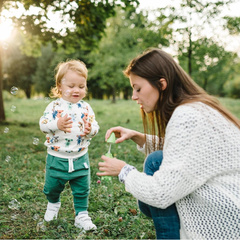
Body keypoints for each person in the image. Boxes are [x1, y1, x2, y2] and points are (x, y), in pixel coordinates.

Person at [97, 48, 240, 239]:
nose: (133, 96)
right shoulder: (196, 106)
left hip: (224, 217)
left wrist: (123, 170)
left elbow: (161, 194)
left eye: (138, 88)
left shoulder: (187, 116)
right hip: (228, 202)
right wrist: (138, 136)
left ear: (161, 84)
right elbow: (185, 151)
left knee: (154, 168)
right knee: (156, 161)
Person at [39, 59, 99, 231]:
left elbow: (95, 126)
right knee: (51, 187)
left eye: (81, 86)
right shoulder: (54, 106)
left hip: (80, 157)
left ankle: (81, 215)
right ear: (59, 87)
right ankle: (53, 205)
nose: (76, 90)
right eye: (71, 85)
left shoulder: (86, 108)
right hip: (57, 158)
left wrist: (90, 130)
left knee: (82, 188)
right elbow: (43, 124)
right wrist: (56, 125)